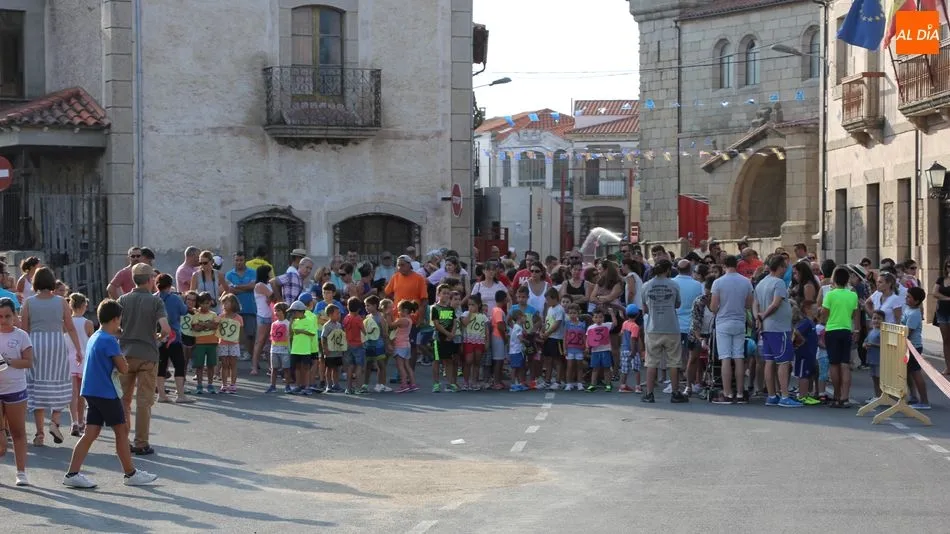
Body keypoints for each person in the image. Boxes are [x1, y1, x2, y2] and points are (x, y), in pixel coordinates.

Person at [61, 299, 158, 489]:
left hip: (91, 390)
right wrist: (122, 360)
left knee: (91, 432)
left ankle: (72, 473)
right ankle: (130, 473)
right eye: (120, 319)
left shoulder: (96, 337)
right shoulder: (109, 340)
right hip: (105, 392)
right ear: (115, 319)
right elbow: (123, 368)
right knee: (121, 431)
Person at [21, 266, 83, 447]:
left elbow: (24, 329)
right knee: (60, 383)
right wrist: (78, 349)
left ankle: (39, 434)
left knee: (37, 388)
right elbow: (70, 327)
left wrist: (22, 351)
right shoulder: (61, 301)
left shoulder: (29, 302)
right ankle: (55, 422)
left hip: (36, 343)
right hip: (56, 343)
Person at [117, 263, 170, 455]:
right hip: (147, 354)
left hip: (125, 354)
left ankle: (122, 440)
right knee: (144, 401)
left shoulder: (123, 299)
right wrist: (158, 337)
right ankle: (141, 442)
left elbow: (115, 327)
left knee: (124, 400)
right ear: (150, 280)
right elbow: (165, 329)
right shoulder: (156, 301)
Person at [753, 256, 802, 407]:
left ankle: (772, 395)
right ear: (780, 267)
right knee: (783, 361)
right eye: (785, 267)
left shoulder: (762, 282)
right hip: (779, 328)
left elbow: (755, 303)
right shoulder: (778, 283)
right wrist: (763, 315)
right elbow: (776, 303)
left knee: (769, 361)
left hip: (767, 327)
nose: (786, 270)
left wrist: (757, 317)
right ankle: (785, 396)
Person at [640, 259, 686, 403]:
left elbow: (645, 308)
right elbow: (678, 304)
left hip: (653, 327)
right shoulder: (674, 284)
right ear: (668, 270)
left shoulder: (646, 286)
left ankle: (649, 393)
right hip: (671, 327)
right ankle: (675, 392)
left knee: (651, 362)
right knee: (674, 361)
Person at [710, 256, 754, 404]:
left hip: (723, 321)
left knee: (725, 358)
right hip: (739, 321)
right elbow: (748, 304)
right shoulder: (746, 281)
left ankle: (727, 392)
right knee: (739, 357)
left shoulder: (718, 282)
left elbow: (713, 307)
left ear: (724, 265)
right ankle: (740, 393)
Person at [0, 297, 33, 486]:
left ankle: (21, 472)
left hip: (15, 389)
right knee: (1, 442)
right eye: (0, 316)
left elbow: (28, 362)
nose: (3, 320)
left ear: (14, 316)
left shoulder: (21, 336)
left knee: (18, 431)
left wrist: (8, 361)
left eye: (7, 316)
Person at [820, 266, 859, 409]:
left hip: (832, 330)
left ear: (834, 279)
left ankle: (836, 395)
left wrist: (822, 321)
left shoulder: (830, 295)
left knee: (834, 364)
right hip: (846, 329)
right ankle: (845, 396)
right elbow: (855, 314)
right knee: (845, 364)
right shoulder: (852, 295)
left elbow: (824, 314)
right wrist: (856, 330)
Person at [155, 274, 192, 404]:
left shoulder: (153, 298)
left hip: (158, 337)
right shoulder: (175, 299)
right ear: (170, 285)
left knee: (161, 365)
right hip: (174, 337)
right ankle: (180, 395)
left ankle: (161, 395)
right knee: (179, 365)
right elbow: (184, 311)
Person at [66, 294, 95, 436]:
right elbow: (91, 342)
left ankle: (74, 422)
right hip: (84, 359)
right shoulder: (88, 323)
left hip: (69, 358)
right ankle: (82, 420)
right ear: (83, 306)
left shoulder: (66, 322)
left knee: (73, 393)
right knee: (82, 393)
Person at [225, 252, 258, 361]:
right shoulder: (229, 274)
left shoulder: (252, 272)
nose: (239, 262)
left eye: (241, 260)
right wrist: (245, 288)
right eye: (237, 260)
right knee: (233, 332)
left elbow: (253, 286)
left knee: (250, 333)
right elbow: (229, 290)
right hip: (234, 308)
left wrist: (237, 287)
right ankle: (232, 353)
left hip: (249, 307)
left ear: (245, 261)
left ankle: (250, 354)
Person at [902, 287, 931, 410]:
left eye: (909, 297)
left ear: (917, 301)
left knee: (915, 372)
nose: (906, 298)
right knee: (907, 371)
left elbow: (907, 332)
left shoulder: (914, 314)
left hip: (914, 347)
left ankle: (924, 401)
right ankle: (913, 396)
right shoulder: (908, 309)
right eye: (907, 296)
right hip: (907, 346)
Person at [216, 294, 243, 394]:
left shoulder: (238, 318)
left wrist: (238, 341)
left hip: (234, 343)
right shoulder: (221, 316)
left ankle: (233, 384)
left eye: (226, 303)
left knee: (233, 364)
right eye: (223, 303)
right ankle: (224, 384)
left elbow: (240, 331)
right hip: (223, 343)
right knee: (224, 364)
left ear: (233, 304)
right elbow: (216, 327)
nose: (224, 305)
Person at [342, 297, 367, 394]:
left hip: (348, 344)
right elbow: (364, 331)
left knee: (350, 366)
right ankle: (358, 388)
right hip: (358, 345)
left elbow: (344, 329)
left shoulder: (346, 318)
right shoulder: (358, 319)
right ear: (358, 309)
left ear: (348, 307)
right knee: (359, 366)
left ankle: (348, 388)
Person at [619, 304, 644, 393]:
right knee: (636, 369)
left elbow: (621, 334)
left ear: (626, 314)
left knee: (624, 369)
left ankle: (622, 386)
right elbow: (633, 339)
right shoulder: (635, 326)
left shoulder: (625, 323)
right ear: (637, 314)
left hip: (624, 349)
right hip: (632, 350)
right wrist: (633, 351)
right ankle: (637, 386)